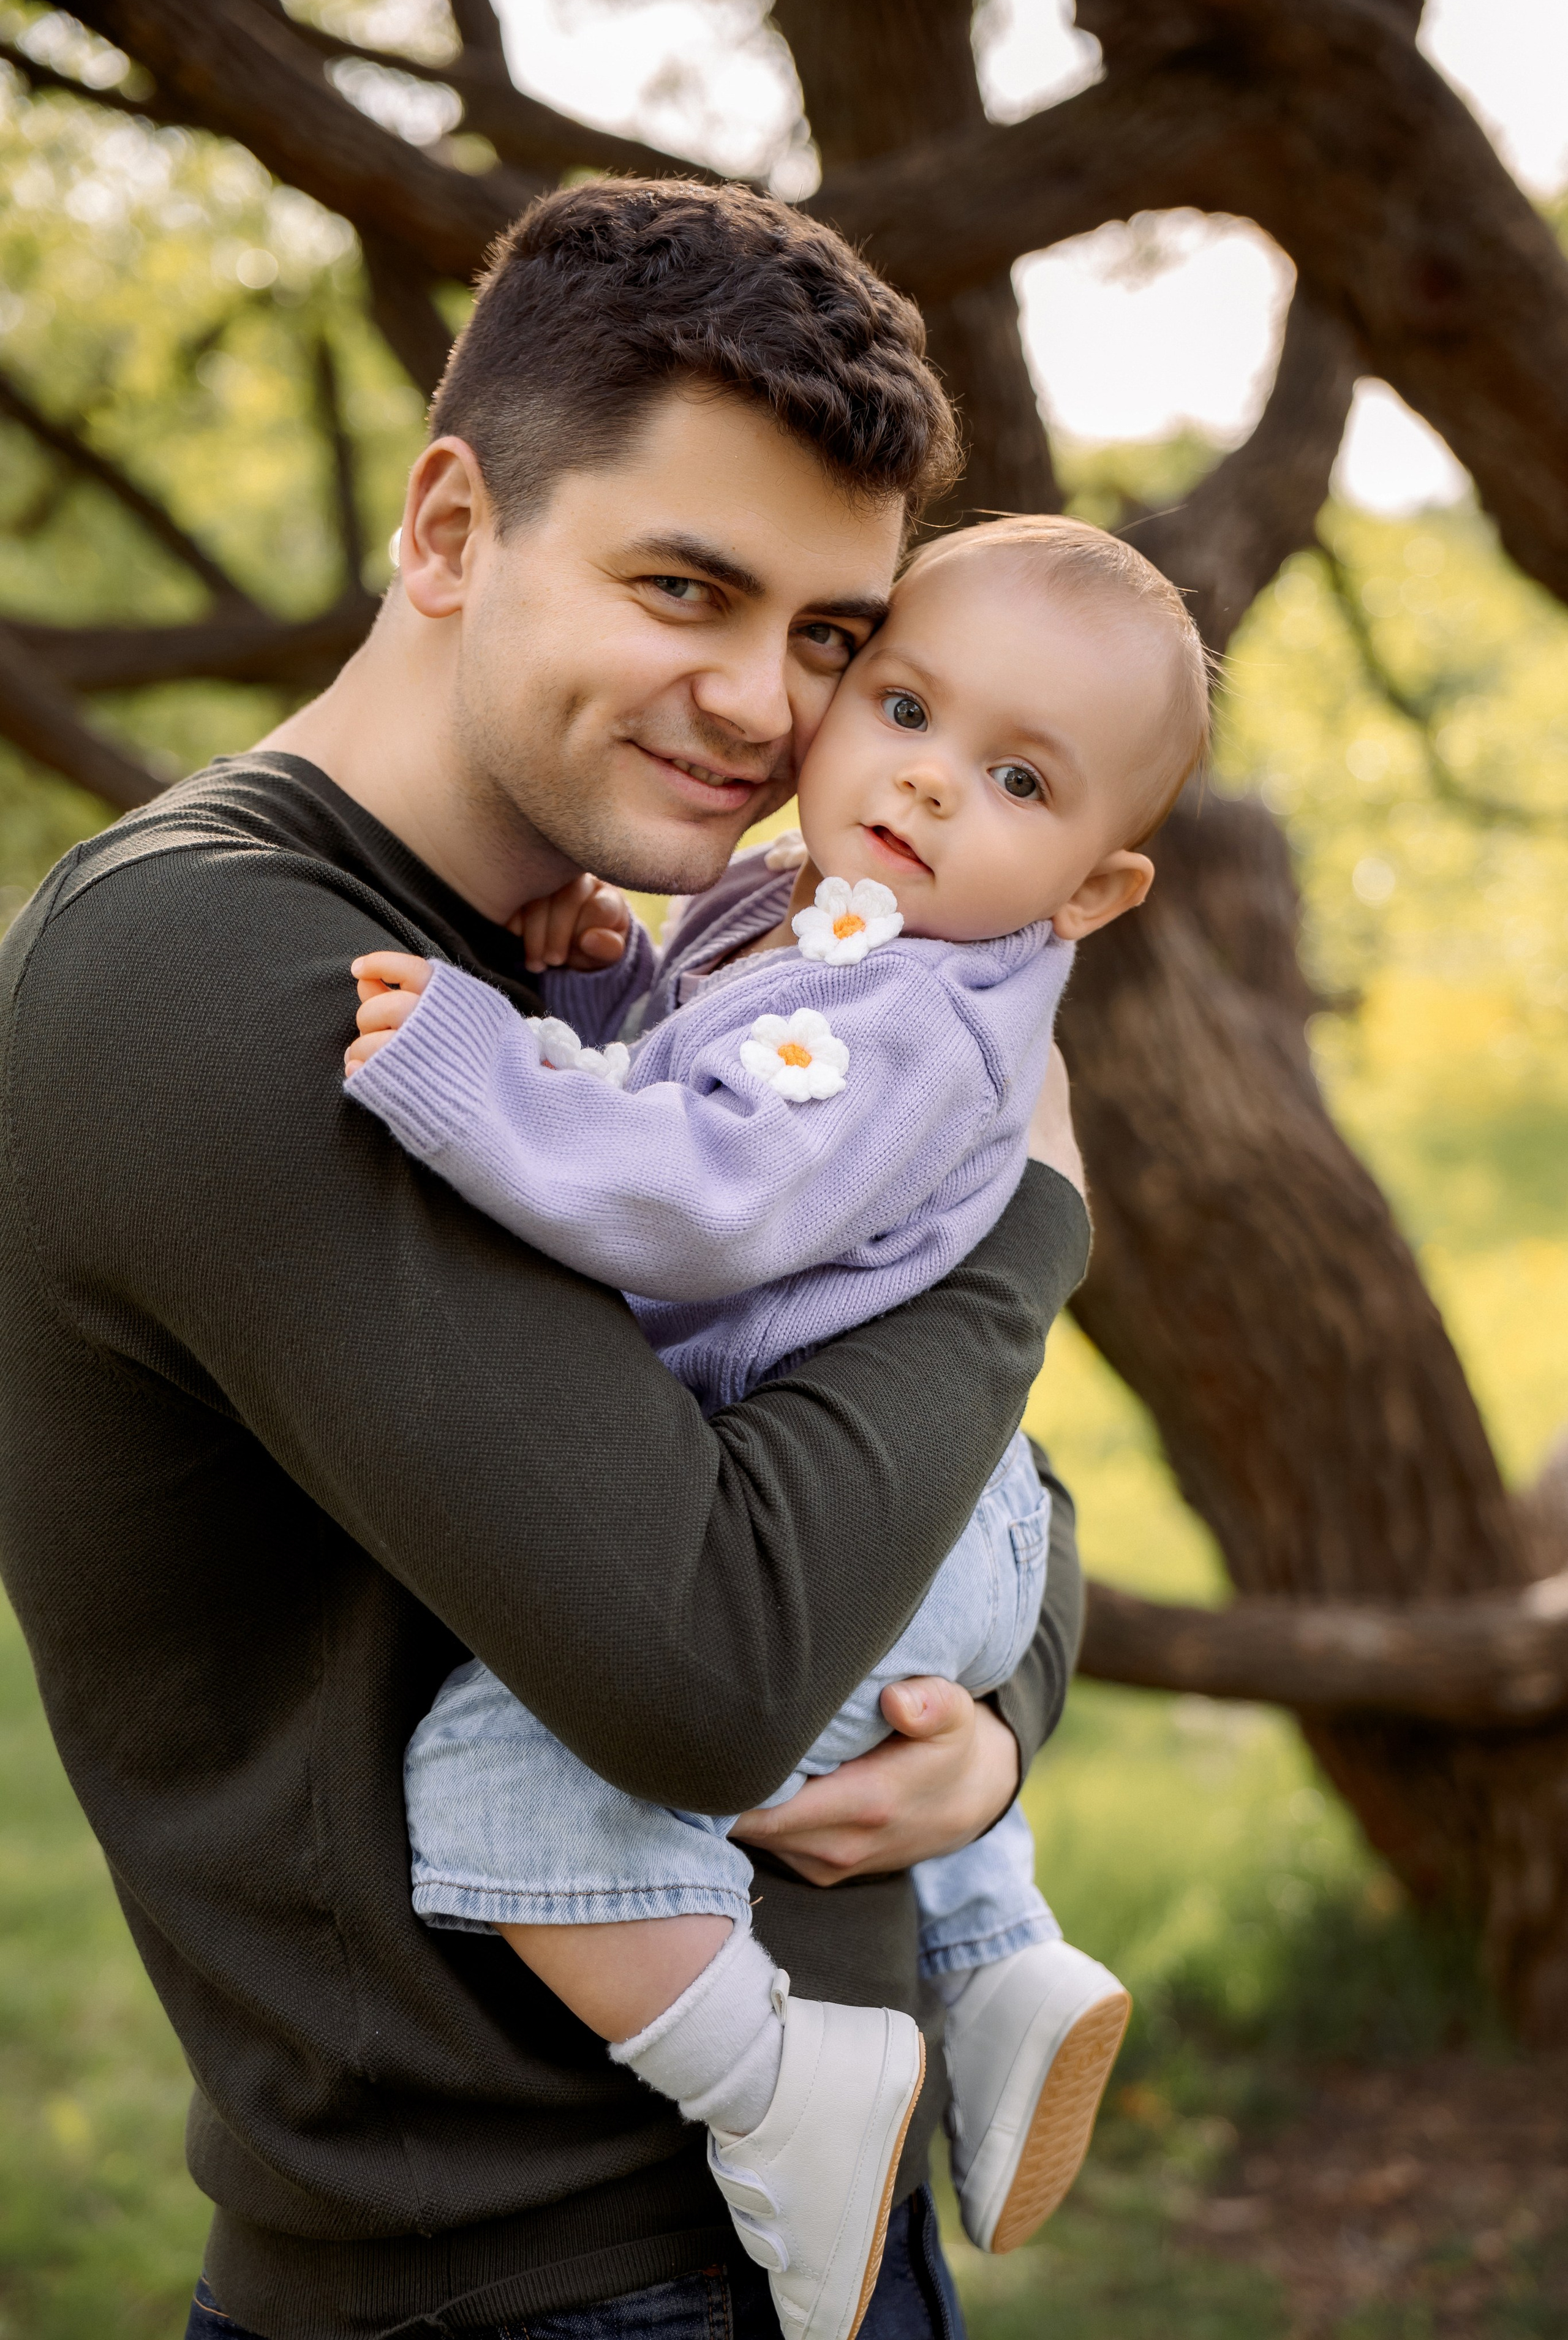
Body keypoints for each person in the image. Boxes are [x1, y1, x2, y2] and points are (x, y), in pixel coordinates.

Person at [0, 182, 1092, 2340]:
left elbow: (986, 1509)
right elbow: (710, 1661)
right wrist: (1034, 1210)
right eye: (683, 585)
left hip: (789, 2233)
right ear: (446, 531)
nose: (767, 708)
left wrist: (1006, 1712)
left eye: (830, 640)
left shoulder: (646, 986)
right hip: (515, 2278)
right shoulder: (222, 972)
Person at [340, 516, 1204, 2340]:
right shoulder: (834, 919)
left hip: (887, 1526)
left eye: (1019, 778)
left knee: (503, 1779)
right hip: (956, 1508)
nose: (929, 783)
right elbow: (716, 1070)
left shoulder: (910, 1006)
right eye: (901, 703)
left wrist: (478, 1065)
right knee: (886, 1740)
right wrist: (601, 992)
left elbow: (716, 1197)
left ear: (1094, 891)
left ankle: (776, 2084)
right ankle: (998, 1965)